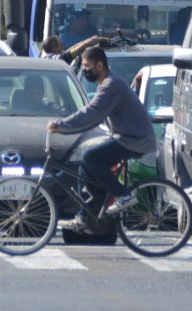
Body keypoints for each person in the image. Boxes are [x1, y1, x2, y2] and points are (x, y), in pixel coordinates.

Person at [46, 46, 158, 231]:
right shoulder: (106, 84)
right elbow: (92, 118)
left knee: (91, 157)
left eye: (87, 66)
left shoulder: (111, 85)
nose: (85, 70)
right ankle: (85, 216)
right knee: (86, 167)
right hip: (126, 137)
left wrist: (61, 125)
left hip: (134, 139)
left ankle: (123, 195)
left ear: (99, 65)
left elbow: (91, 114)